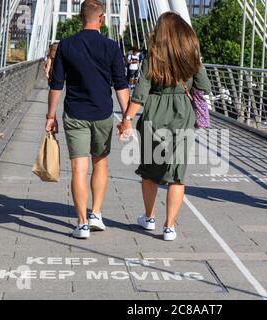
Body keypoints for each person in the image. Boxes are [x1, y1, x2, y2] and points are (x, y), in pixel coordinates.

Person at [117, 12, 211, 241]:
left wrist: (127, 120)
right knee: (177, 173)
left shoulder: (154, 55)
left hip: (155, 112)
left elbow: (140, 93)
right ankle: (169, 227)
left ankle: (149, 218)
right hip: (183, 114)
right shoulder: (191, 55)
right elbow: (204, 86)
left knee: (150, 171)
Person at [46, 0, 129, 238]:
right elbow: (121, 85)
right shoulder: (112, 47)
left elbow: (56, 85)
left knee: (78, 169)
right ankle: (97, 214)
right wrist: (126, 118)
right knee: (100, 164)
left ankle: (82, 224)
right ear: (101, 18)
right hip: (103, 113)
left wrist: (51, 116)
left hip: (74, 113)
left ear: (81, 18)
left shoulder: (66, 45)